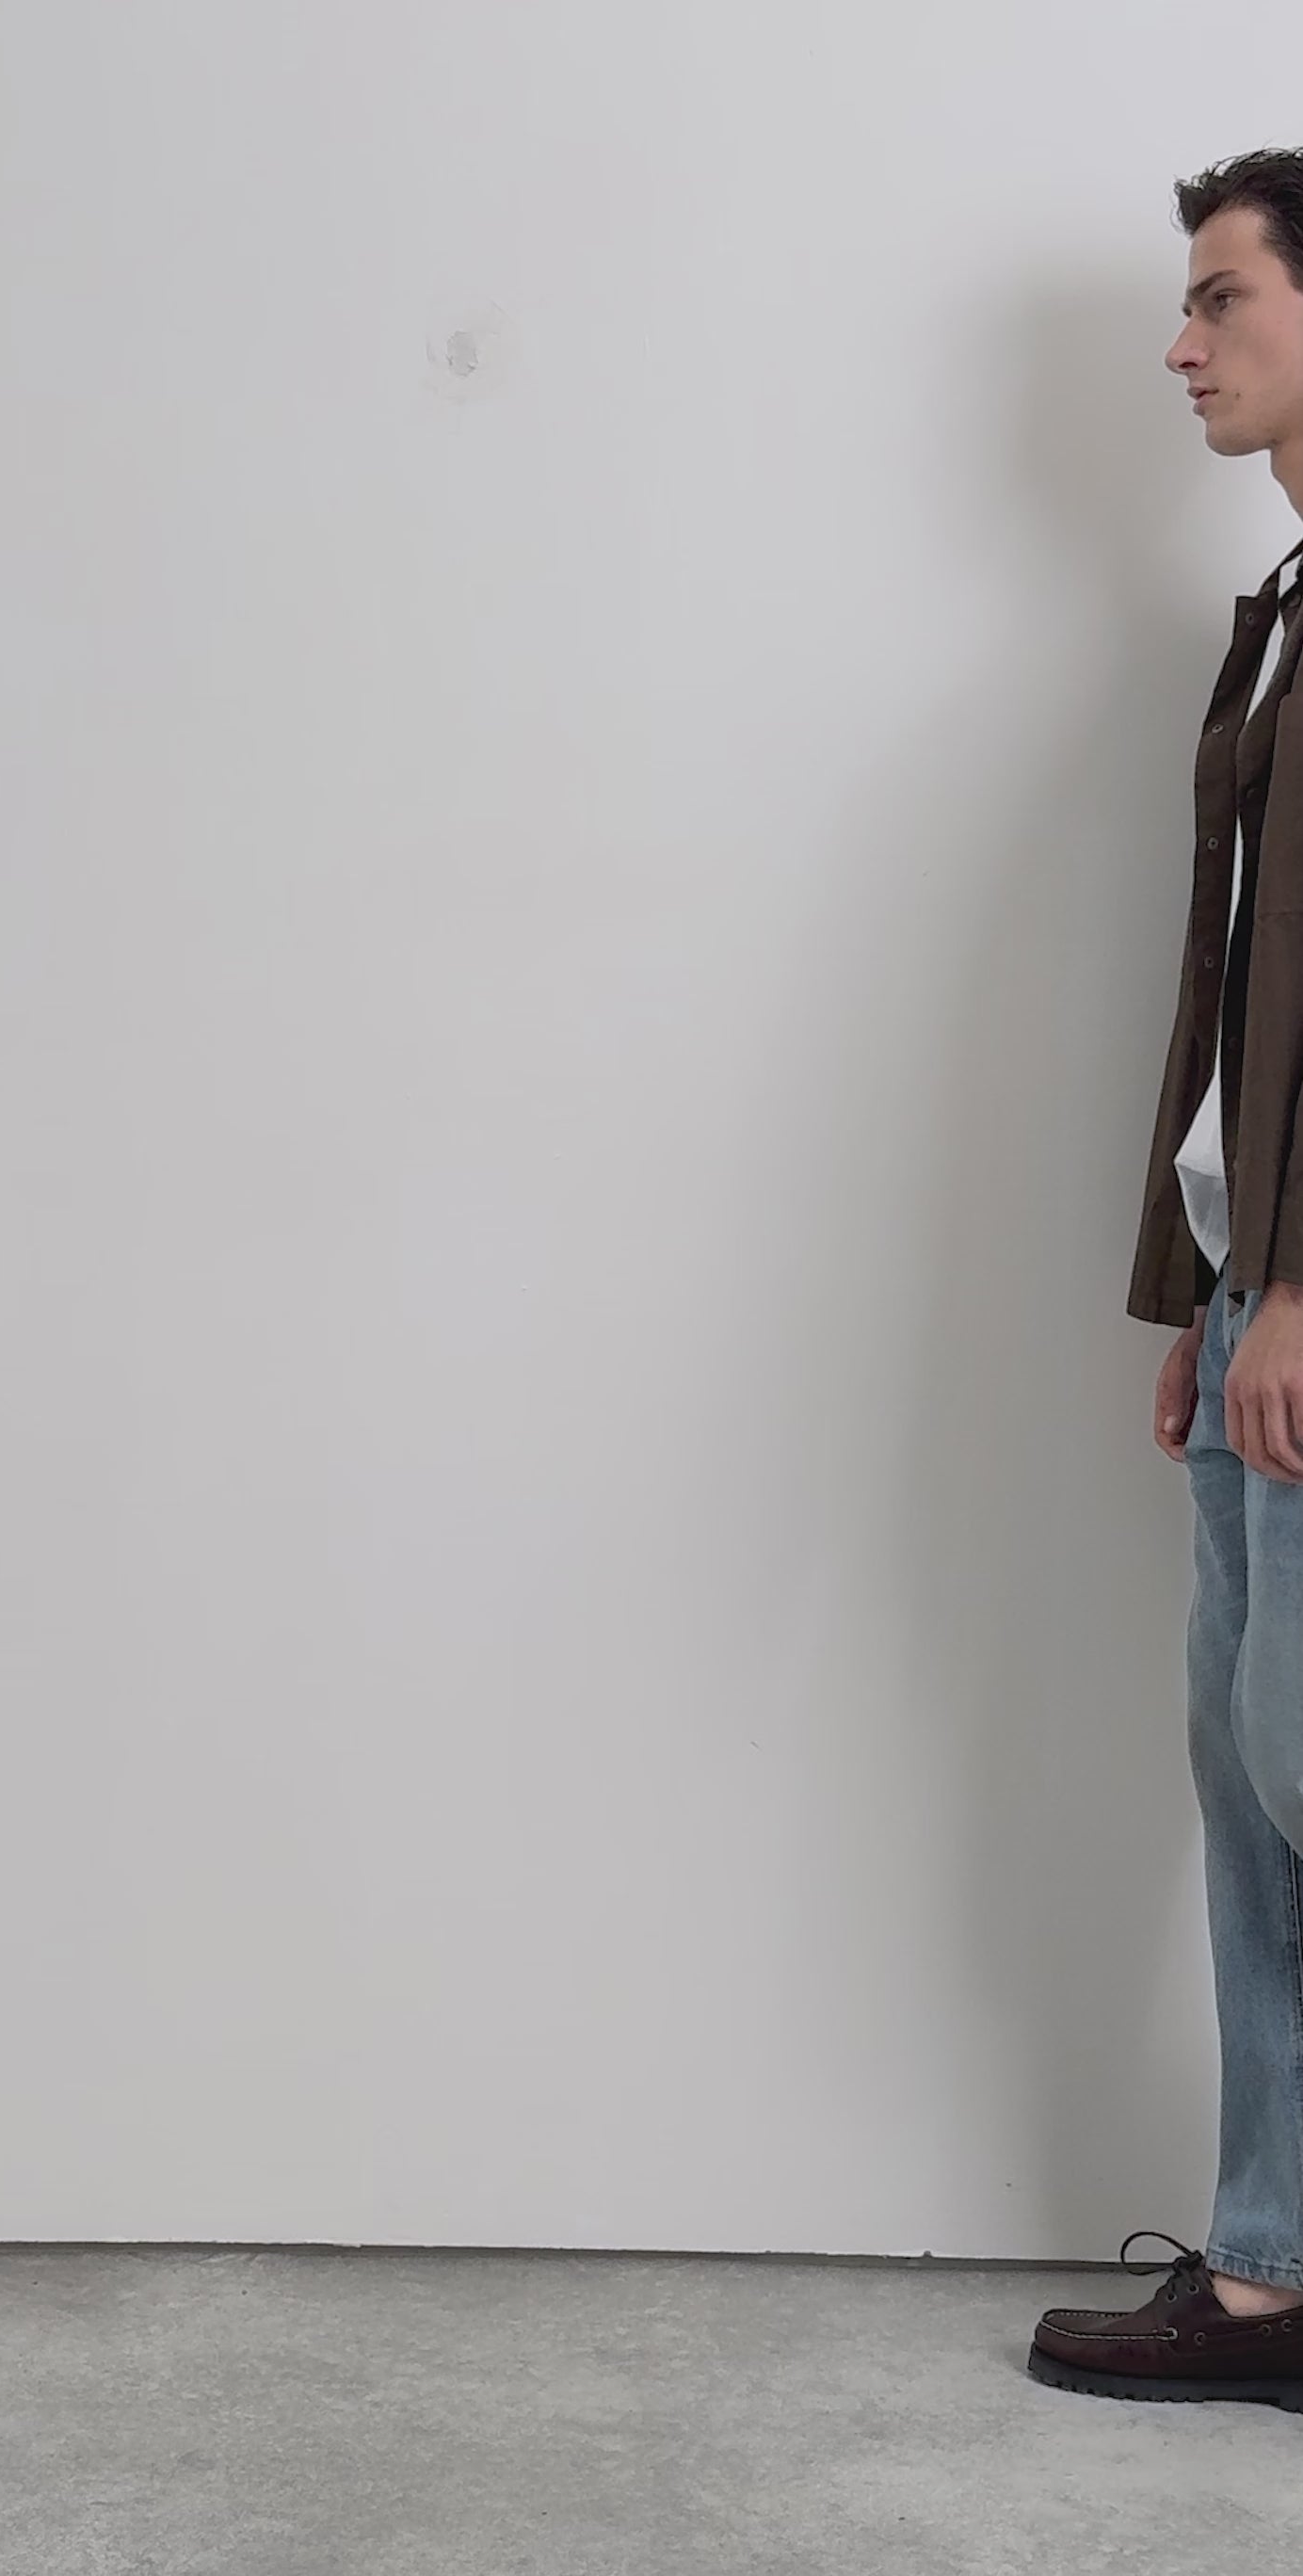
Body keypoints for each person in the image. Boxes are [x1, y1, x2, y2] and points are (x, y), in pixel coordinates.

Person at [1028, 149, 1303, 2408]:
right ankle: (1267, 2274)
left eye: (1219, 297)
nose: (1177, 340)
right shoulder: (1280, 607)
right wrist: (1197, 1293)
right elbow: (1234, 987)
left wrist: (1298, 1291)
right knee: (1243, 1791)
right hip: (1245, 1307)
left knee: (1300, 1765)